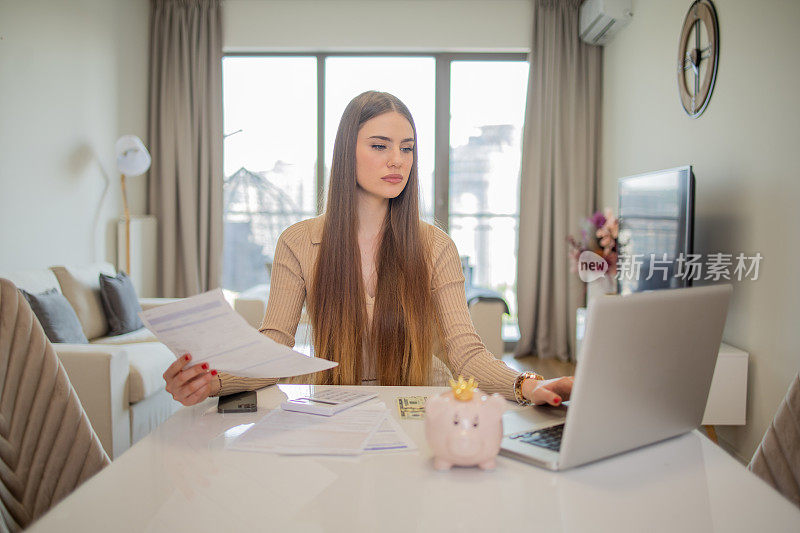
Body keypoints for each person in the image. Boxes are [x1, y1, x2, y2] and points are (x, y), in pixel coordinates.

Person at [163, 91, 573, 407]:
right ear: (347, 152)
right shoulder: (299, 241)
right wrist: (210, 380)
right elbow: (274, 347)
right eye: (380, 146)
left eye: (407, 148)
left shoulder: (435, 246)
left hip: (419, 407)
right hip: (332, 408)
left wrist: (528, 385)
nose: (397, 160)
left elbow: (465, 353)